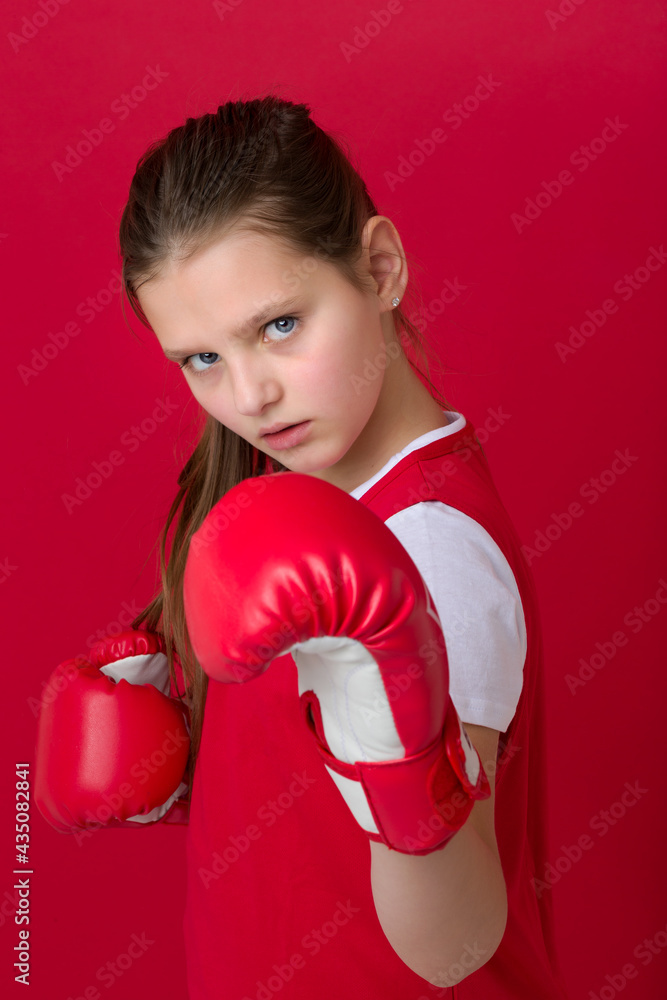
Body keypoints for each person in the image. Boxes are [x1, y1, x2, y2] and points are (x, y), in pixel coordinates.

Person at [37, 95, 570, 998]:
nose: (248, 396)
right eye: (199, 359)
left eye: (278, 326)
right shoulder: (276, 494)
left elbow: (457, 946)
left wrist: (394, 737)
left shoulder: (429, 548)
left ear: (379, 266)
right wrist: (180, 764)